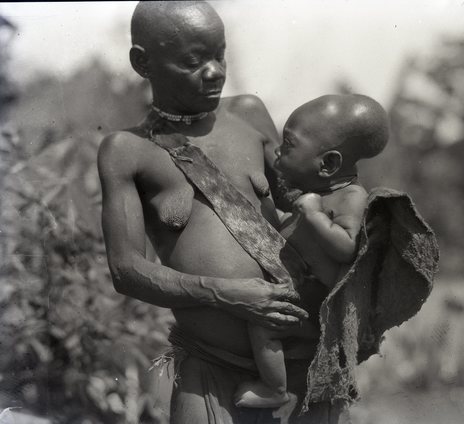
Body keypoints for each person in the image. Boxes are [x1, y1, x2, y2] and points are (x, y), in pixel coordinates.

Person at [98, 2, 348, 423]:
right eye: (193, 61)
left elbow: (309, 201)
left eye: (220, 54)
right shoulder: (127, 151)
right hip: (211, 374)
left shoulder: (248, 115)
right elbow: (125, 270)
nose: (214, 71)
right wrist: (227, 293)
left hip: (303, 368)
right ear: (142, 62)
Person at [234, 95, 389, 408]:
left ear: (328, 164)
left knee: (262, 325)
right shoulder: (313, 195)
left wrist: (316, 217)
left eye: (288, 143)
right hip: (296, 299)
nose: (277, 150)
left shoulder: (351, 197)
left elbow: (347, 247)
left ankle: (275, 389)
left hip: (312, 311)